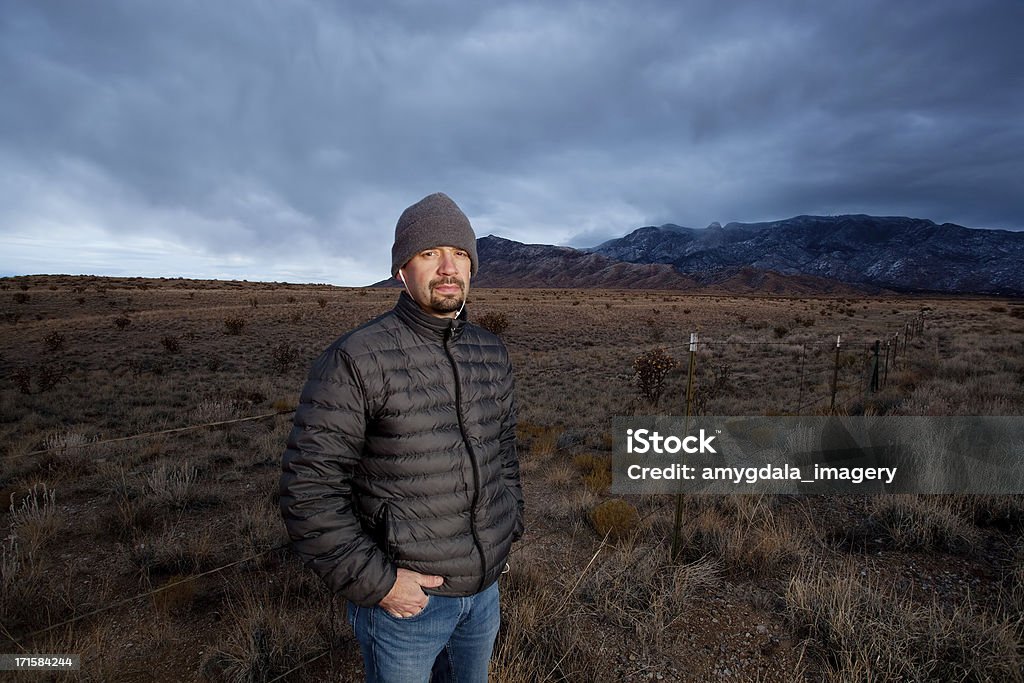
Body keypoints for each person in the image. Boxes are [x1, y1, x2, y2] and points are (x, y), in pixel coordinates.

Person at [279, 192, 523, 682]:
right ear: (401, 271)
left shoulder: (490, 353)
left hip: (483, 596)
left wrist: (506, 530)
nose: (448, 267)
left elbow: (505, 454)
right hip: (407, 607)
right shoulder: (357, 358)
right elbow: (308, 491)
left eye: (459, 254)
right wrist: (382, 584)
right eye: (429, 253)